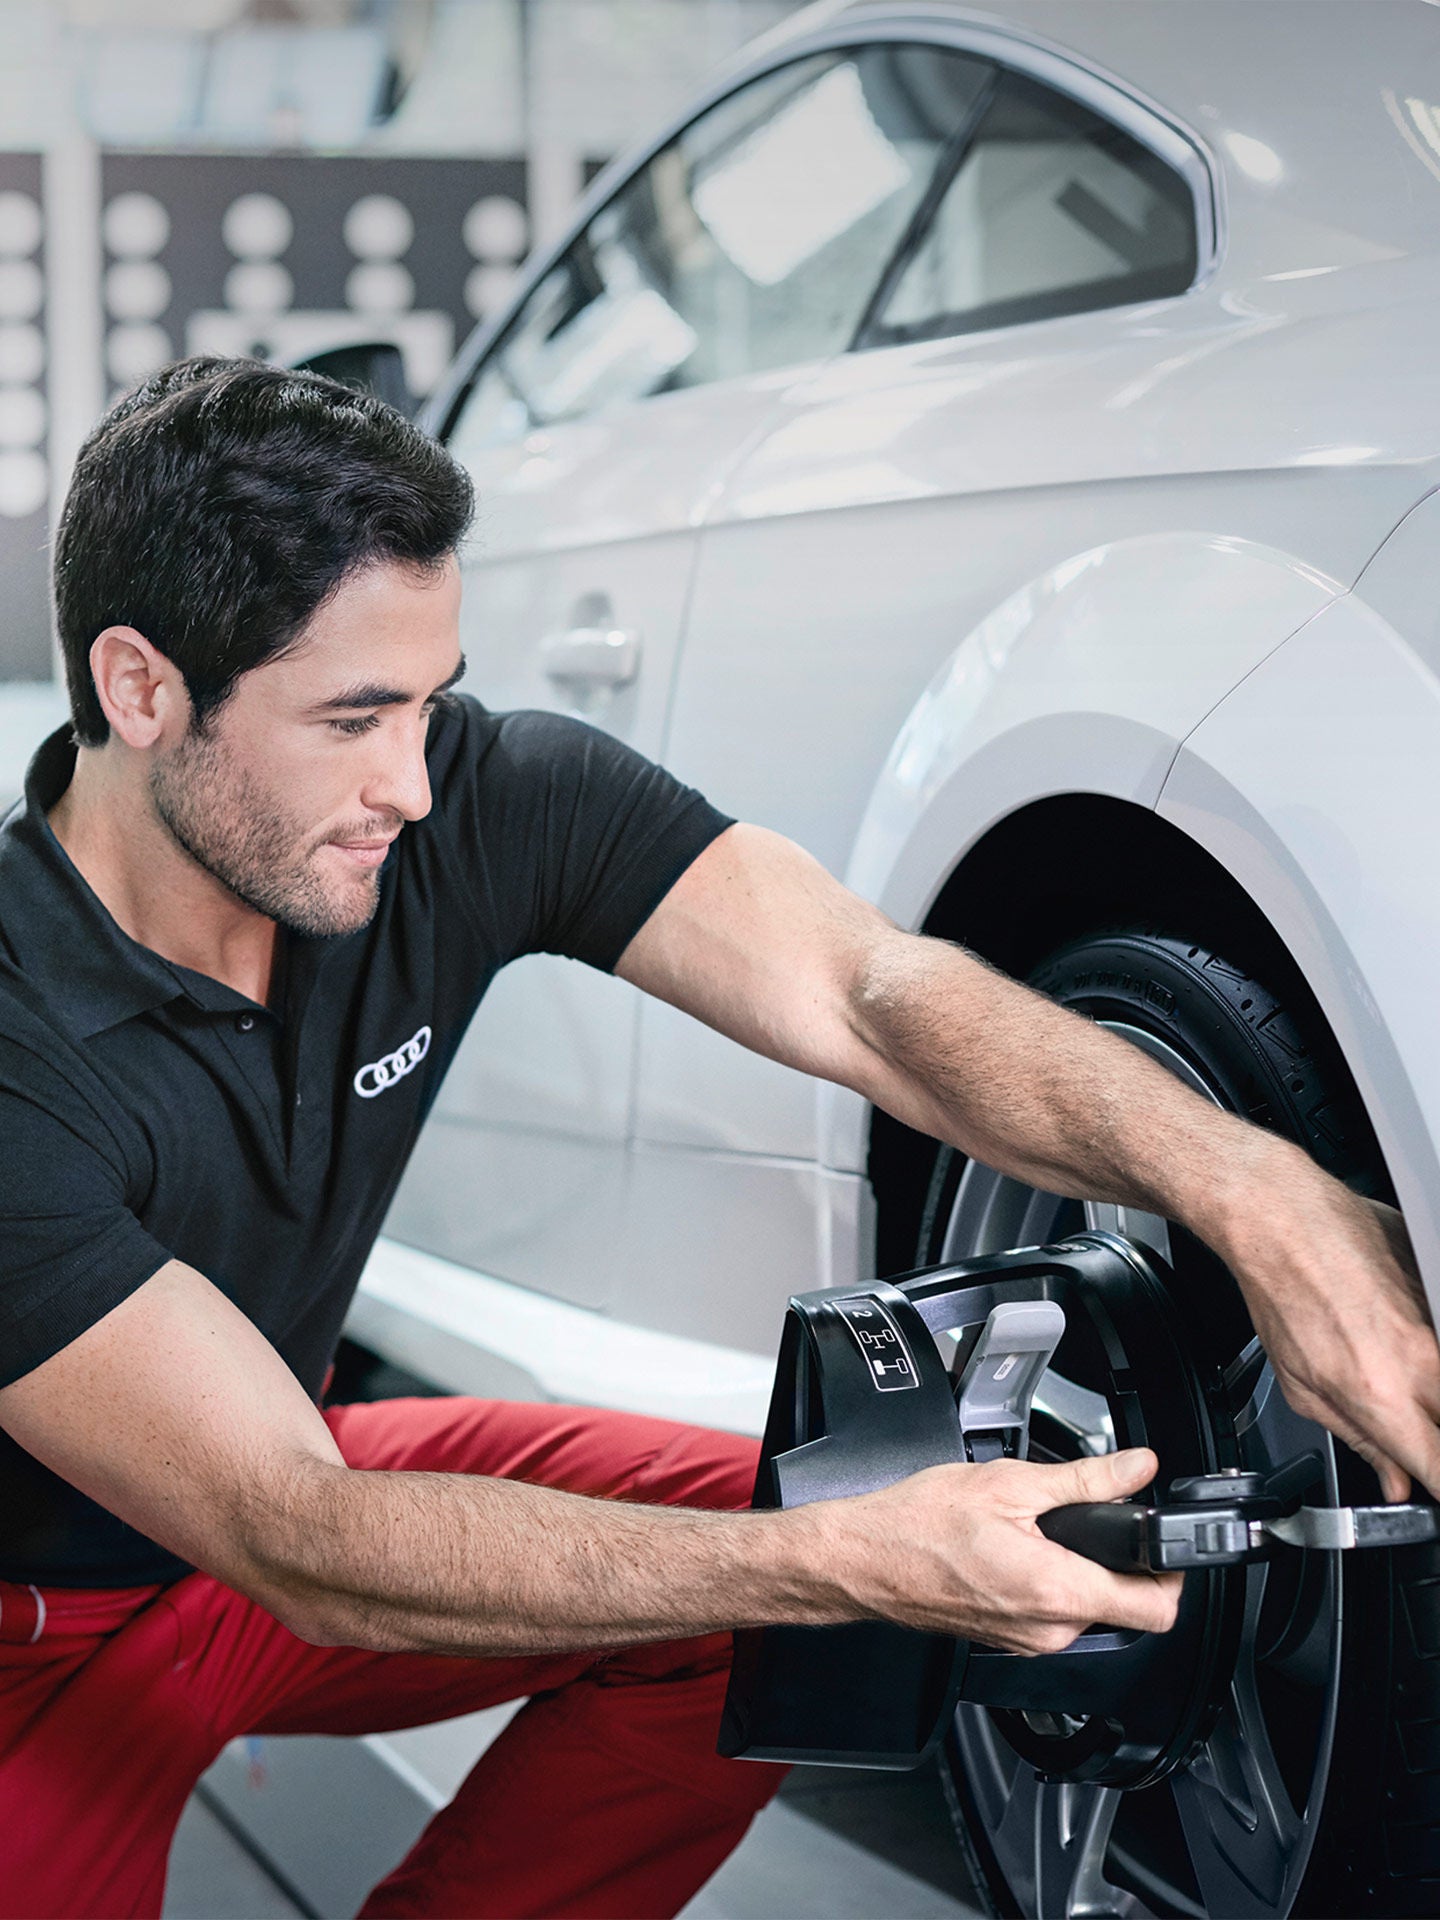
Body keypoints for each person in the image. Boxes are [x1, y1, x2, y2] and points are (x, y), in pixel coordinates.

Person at [0, 358, 1434, 1920]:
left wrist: (1253, 1186)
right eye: (351, 717)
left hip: (281, 1497)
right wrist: (856, 1565)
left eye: (429, 698)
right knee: (807, 1571)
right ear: (140, 689)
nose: (412, 783)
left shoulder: (473, 795)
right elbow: (300, 1533)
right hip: (60, 1623)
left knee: (769, 1588)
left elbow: (869, 992)